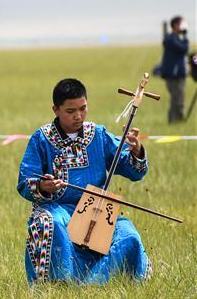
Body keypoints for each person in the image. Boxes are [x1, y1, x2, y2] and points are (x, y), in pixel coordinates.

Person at [17, 78, 151, 284]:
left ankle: (98, 282)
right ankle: (59, 284)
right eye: (70, 111)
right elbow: (25, 182)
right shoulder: (41, 138)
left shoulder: (98, 134)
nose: (78, 116)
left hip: (96, 211)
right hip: (58, 209)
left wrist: (136, 150)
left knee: (128, 235)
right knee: (48, 223)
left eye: (83, 108)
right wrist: (43, 186)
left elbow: (133, 171)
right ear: (56, 109)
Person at [160, 16, 189, 123]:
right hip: (173, 75)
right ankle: (174, 121)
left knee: (179, 98)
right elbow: (183, 49)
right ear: (175, 25)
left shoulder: (175, 38)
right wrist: (185, 37)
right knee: (176, 99)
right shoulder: (171, 39)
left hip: (179, 74)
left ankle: (178, 120)